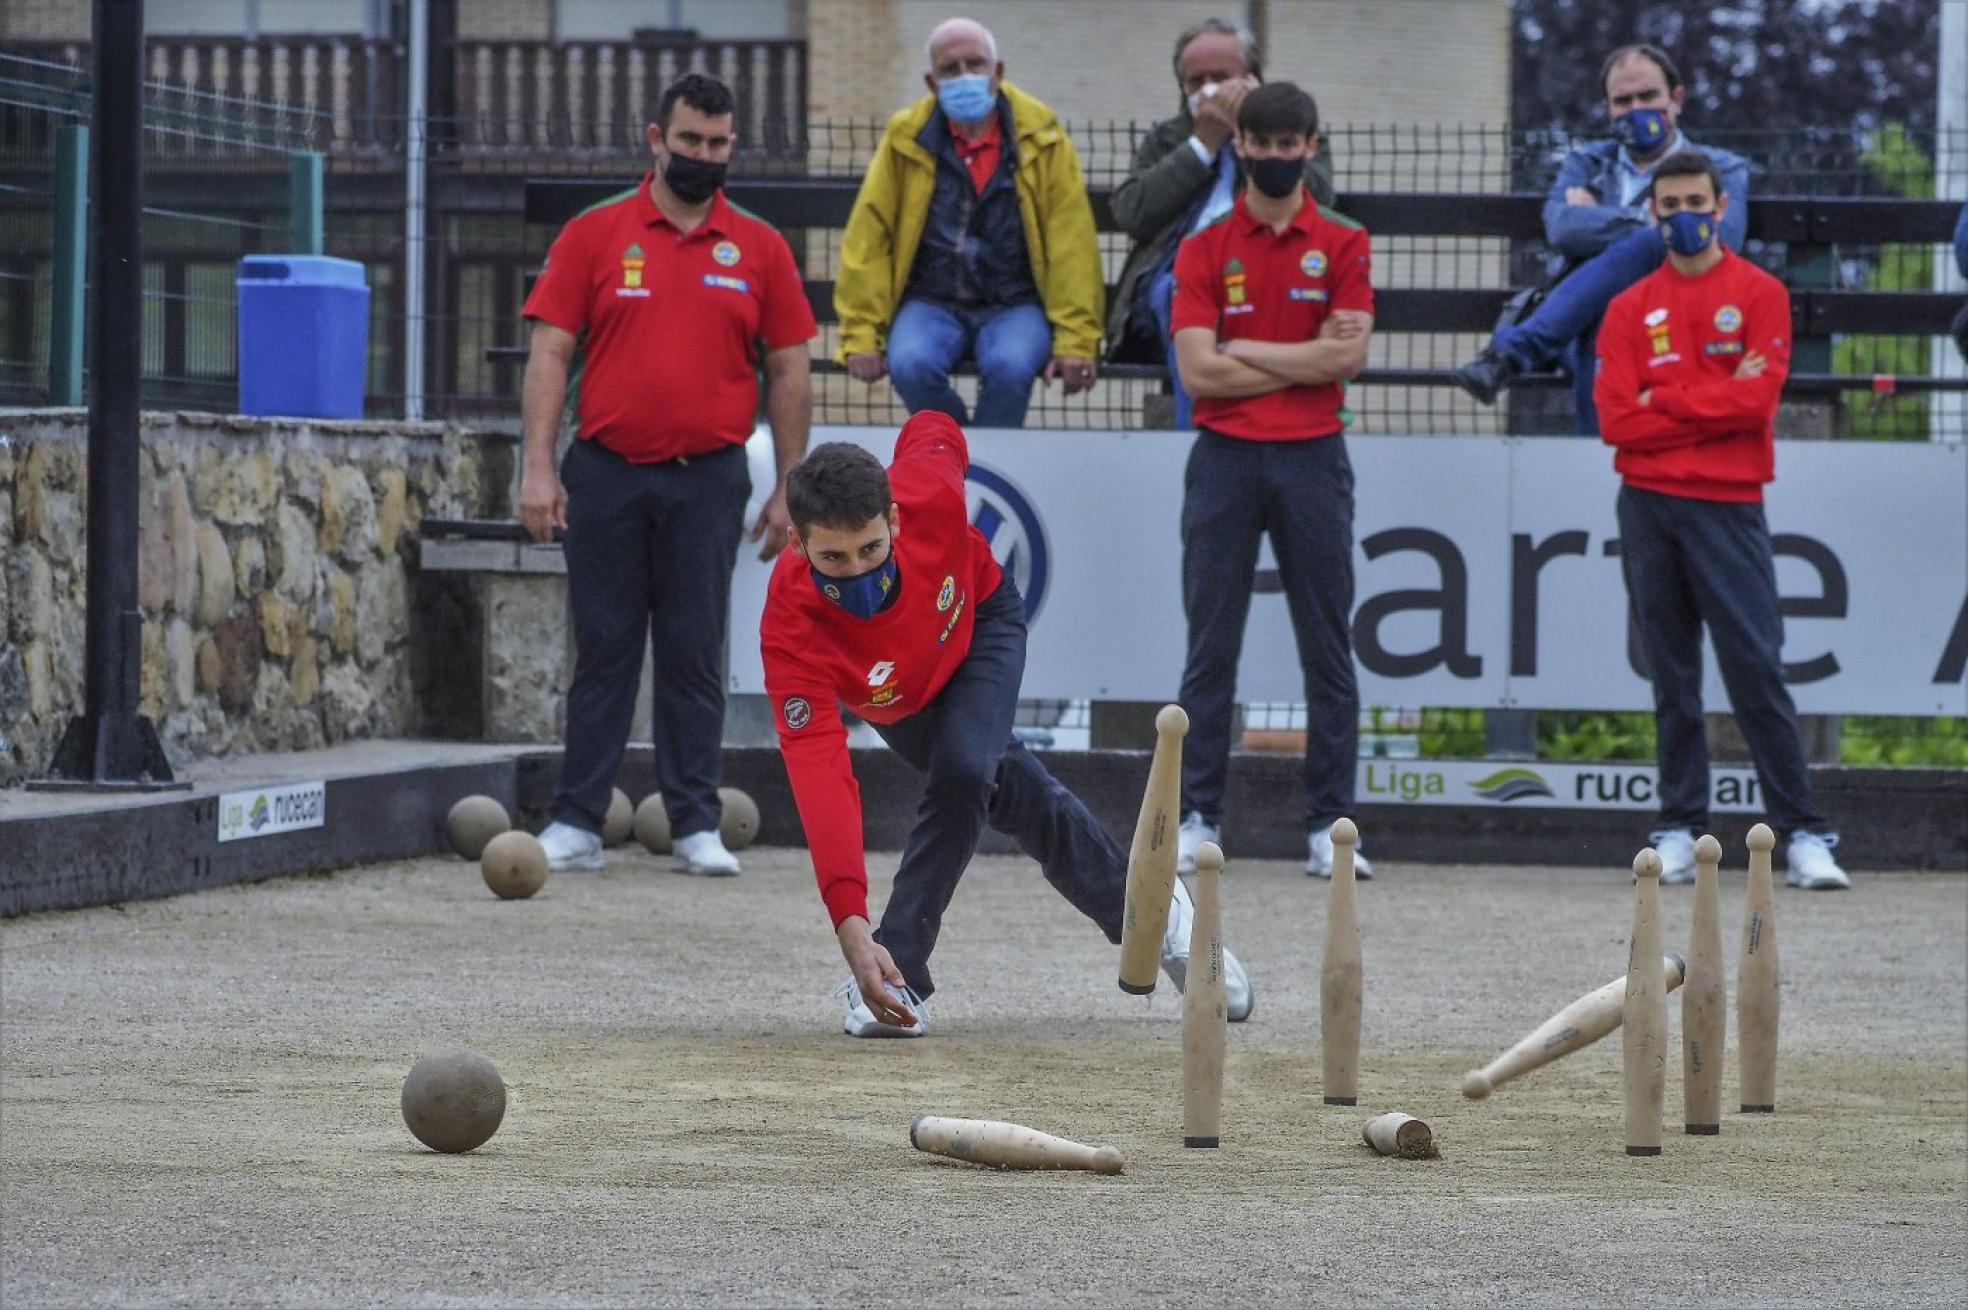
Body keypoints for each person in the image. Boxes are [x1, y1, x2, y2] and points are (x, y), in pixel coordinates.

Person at [762, 413, 1254, 1036]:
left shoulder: (928, 492)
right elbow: (819, 776)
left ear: (895, 519)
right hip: (895, 696)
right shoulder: (789, 627)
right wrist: (848, 921)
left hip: (980, 630)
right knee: (1010, 788)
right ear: (797, 544)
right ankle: (1164, 914)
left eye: (871, 549)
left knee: (968, 772)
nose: (858, 571)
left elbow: (934, 426)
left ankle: (899, 972)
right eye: (833, 557)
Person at [516, 73, 817, 875]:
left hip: (710, 476)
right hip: (606, 472)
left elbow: (790, 369)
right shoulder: (594, 232)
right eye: (690, 141)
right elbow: (550, 350)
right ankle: (578, 820)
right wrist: (538, 468)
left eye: (719, 145)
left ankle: (695, 824)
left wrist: (790, 488)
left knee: (694, 651)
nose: (703, 156)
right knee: (606, 647)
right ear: (656, 139)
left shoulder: (759, 245)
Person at [1592, 150, 1849, 890]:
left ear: (1719, 206)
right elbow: (1615, 418)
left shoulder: (1760, 293)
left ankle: (1803, 832)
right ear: (1653, 212)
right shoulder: (1629, 306)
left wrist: (1661, 402)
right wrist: (1704, 401)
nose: (1682, 216)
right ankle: (1679, 824)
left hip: (1729, 504)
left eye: (1694, 202)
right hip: (1646, 501)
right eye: (1668, 204)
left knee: (1754, 668)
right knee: (1671, 673)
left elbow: (1756, 404)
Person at [1166, 81, 1376, 881]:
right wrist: (1298, 361)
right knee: (1210, 646)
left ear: (1311, 148)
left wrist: (1243, 348)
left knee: (1327, 643)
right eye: (1266, 145)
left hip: (1315, 456)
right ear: (1242, 147)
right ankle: (1197, 814)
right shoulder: (1205, 245)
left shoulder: (1347, 240)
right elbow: (1195, 370)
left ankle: (1330, 825)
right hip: (1223, 459)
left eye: (1294, 146)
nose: (1280, 158)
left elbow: (1346, 360)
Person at [1450, 44, 1750, 434]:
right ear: (1608, 109)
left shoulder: (1720, 167)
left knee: (1645, 253)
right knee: (1614, 307)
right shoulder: (1587, 163)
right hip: (1597, 323)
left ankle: (1513, 354)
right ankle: (1596, 454)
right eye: (1622, 101)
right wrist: (1656, 223)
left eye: (1648, 96)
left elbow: (1720, 241)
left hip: (1684, 316)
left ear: (1676, 99)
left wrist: (1612, 222)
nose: (1636, 108)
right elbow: (1562, 229)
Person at [835, 17, 1102, 429]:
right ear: (931, 82)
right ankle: (962, 452)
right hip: (931, 300)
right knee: (909, 364)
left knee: (1011, 368)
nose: (964, 76)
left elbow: (1072, 242)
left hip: (1016, 304)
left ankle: (972, 461)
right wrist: (861, 335)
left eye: (975, 64)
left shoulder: (1043, 136)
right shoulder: (905, 136)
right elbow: (870, 235)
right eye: (950, 69)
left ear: (998, 72)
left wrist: (1076, 341)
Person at [1108, 17, 1337, 429]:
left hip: (1270, 267)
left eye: (1221, 77)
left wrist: (1258, 142)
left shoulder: (1289, 130)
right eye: (1195, 81)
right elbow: (1132, 213)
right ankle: (1196, 437)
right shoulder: (1167, 138)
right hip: (1180, 274)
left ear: (1250, 78)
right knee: (1183, 300)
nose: (1208, 90)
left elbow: (1318, 198)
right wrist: (1202, 145)